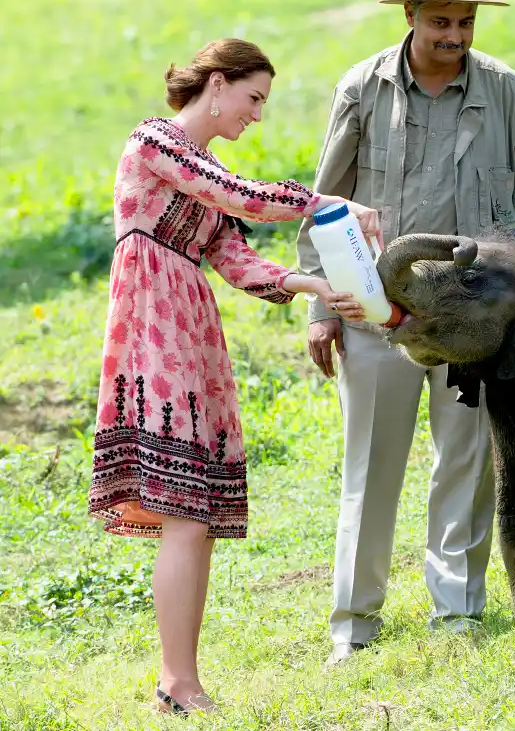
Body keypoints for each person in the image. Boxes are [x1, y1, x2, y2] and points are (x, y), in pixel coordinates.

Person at [87, 38, 382, 714]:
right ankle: (178, 683)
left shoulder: (201, 167)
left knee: (193, 514)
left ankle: (178, 682)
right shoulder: (155, 143)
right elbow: (240, 197)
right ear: (216, 85)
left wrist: (313, 283)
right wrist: (323, 201)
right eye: (253, 98)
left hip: (186, 320)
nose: (257, 114)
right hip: (152, 320)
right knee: (183, 510)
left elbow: (236, 257)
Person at [295, 0, 515, 666]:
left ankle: (458, 613)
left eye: (466, 21)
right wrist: (319, 309)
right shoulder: (362, 87)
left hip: (475, 318)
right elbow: (323, 202)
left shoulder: (505, 88)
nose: (455, 34)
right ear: (411, 17)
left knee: (468, 462)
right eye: (442, 21)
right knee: (371, 466)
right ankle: (353, 625)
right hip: (374, 309)